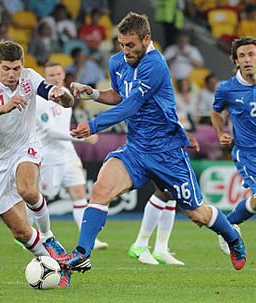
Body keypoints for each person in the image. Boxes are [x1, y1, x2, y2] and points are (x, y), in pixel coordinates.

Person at [55, 12, 246, 273]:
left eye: (130, 45)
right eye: (121, 44)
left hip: (167, 152)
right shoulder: (117, 62)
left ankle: (233, 238)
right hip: (136, 148)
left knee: (198, 214)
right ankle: (82, 254)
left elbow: (133, 103)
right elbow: (120, 94)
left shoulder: (155, 65)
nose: (124, 51)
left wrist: (94, 124)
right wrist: (95, 94)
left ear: (146, 39)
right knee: (101, 189)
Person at [0, 40, 74, 288]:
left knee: (27, 189)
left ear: (23, 65)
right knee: (21, 232)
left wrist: (63, 97)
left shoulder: (29, 78)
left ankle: (49, 236)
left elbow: (61, 99)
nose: (12, 74)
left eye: (16, 68)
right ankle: (57, 265)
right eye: (6, 68)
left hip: (24, 145)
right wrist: (4, 108)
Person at [35, 61, 108, 250]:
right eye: (51, 76)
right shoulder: (41, 100)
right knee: (42, 196)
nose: (56, 78)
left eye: (58, 74)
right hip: (50, 155)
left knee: (79, 193)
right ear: (45, 78)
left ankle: (89, 238)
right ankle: (27, 231)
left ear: (63, 75)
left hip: (68, 153)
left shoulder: (66, 94)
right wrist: (82, 139)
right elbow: (51, 132)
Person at [211, 36, 256, 254]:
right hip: (248, 154)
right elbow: (216, 112)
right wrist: (221, 133)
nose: (248, 59)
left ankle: (226, 227)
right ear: (236, 61)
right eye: (242, 56)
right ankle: (228, 230)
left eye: (252, 54)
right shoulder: (227, 89)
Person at [128, 133, 200, 266]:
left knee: (171, 194)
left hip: (165, 147)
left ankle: (161, 248)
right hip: (152, 147)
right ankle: (140, 244)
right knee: (163, 192)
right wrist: (185, 135)